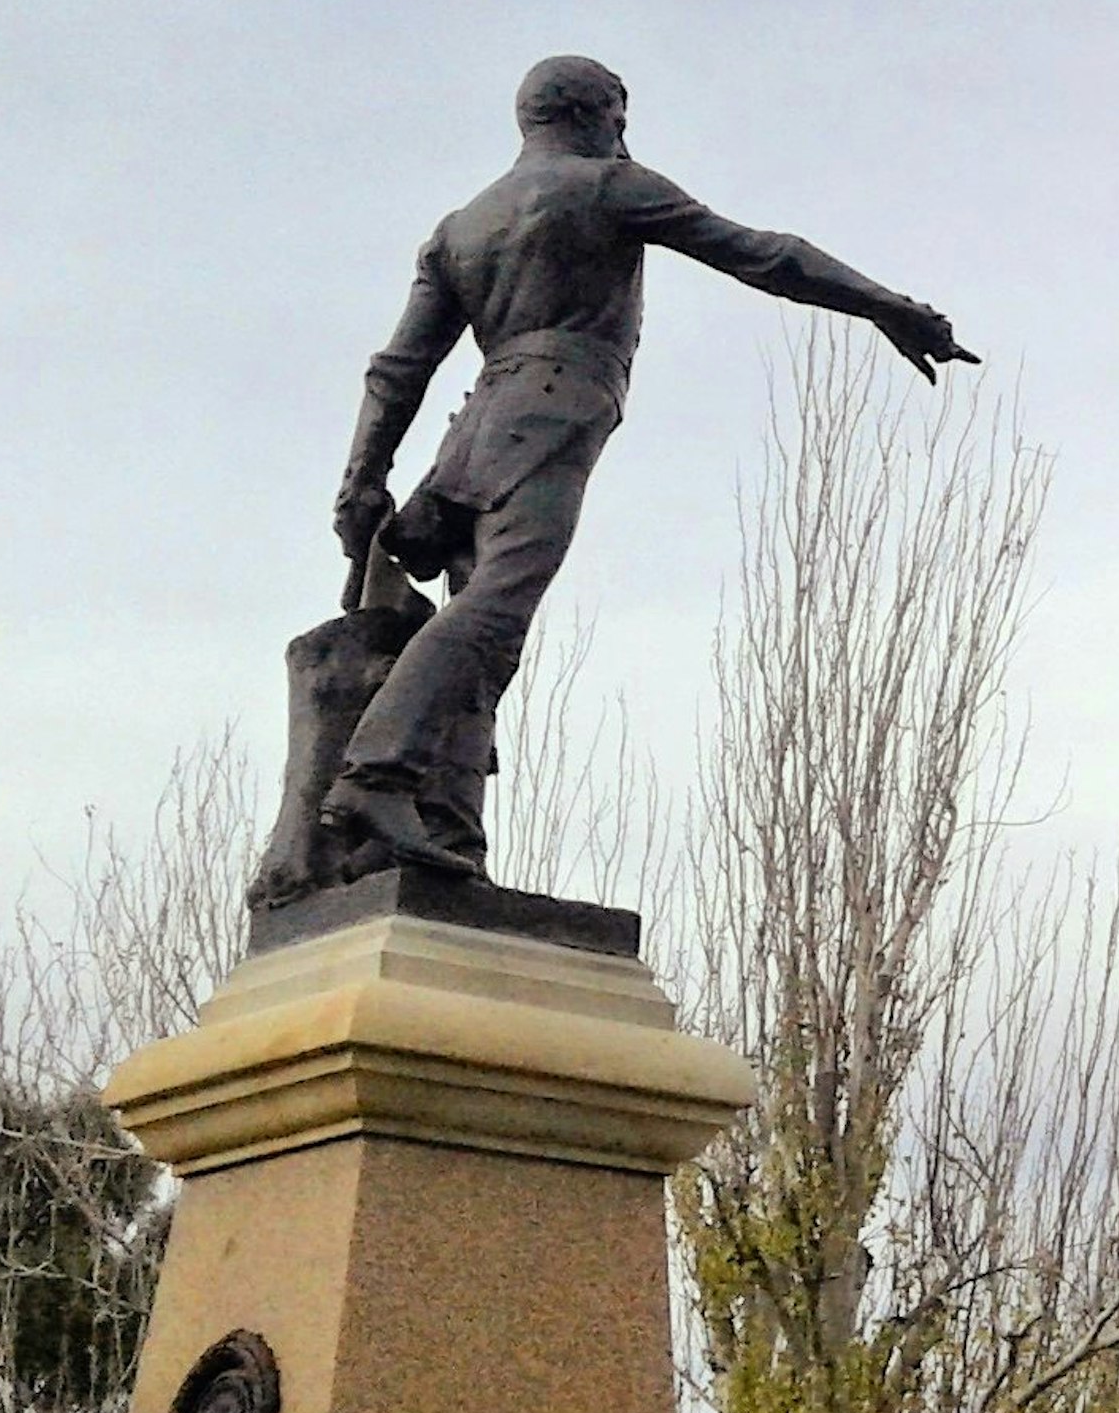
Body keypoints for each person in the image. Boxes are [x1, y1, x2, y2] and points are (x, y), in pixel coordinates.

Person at [296, 53, 975, 888]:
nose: (625, 131)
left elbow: (397, 370)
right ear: (599, 112)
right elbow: (766, 256)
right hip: (554, 407)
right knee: (496, 610)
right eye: (621, 114)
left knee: (485, 635)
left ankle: (447, 836)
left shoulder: (460, 227)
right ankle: (378, 776)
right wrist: (888, 306)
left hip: (473, 428)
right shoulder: (606, 186)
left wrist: (361, 476)